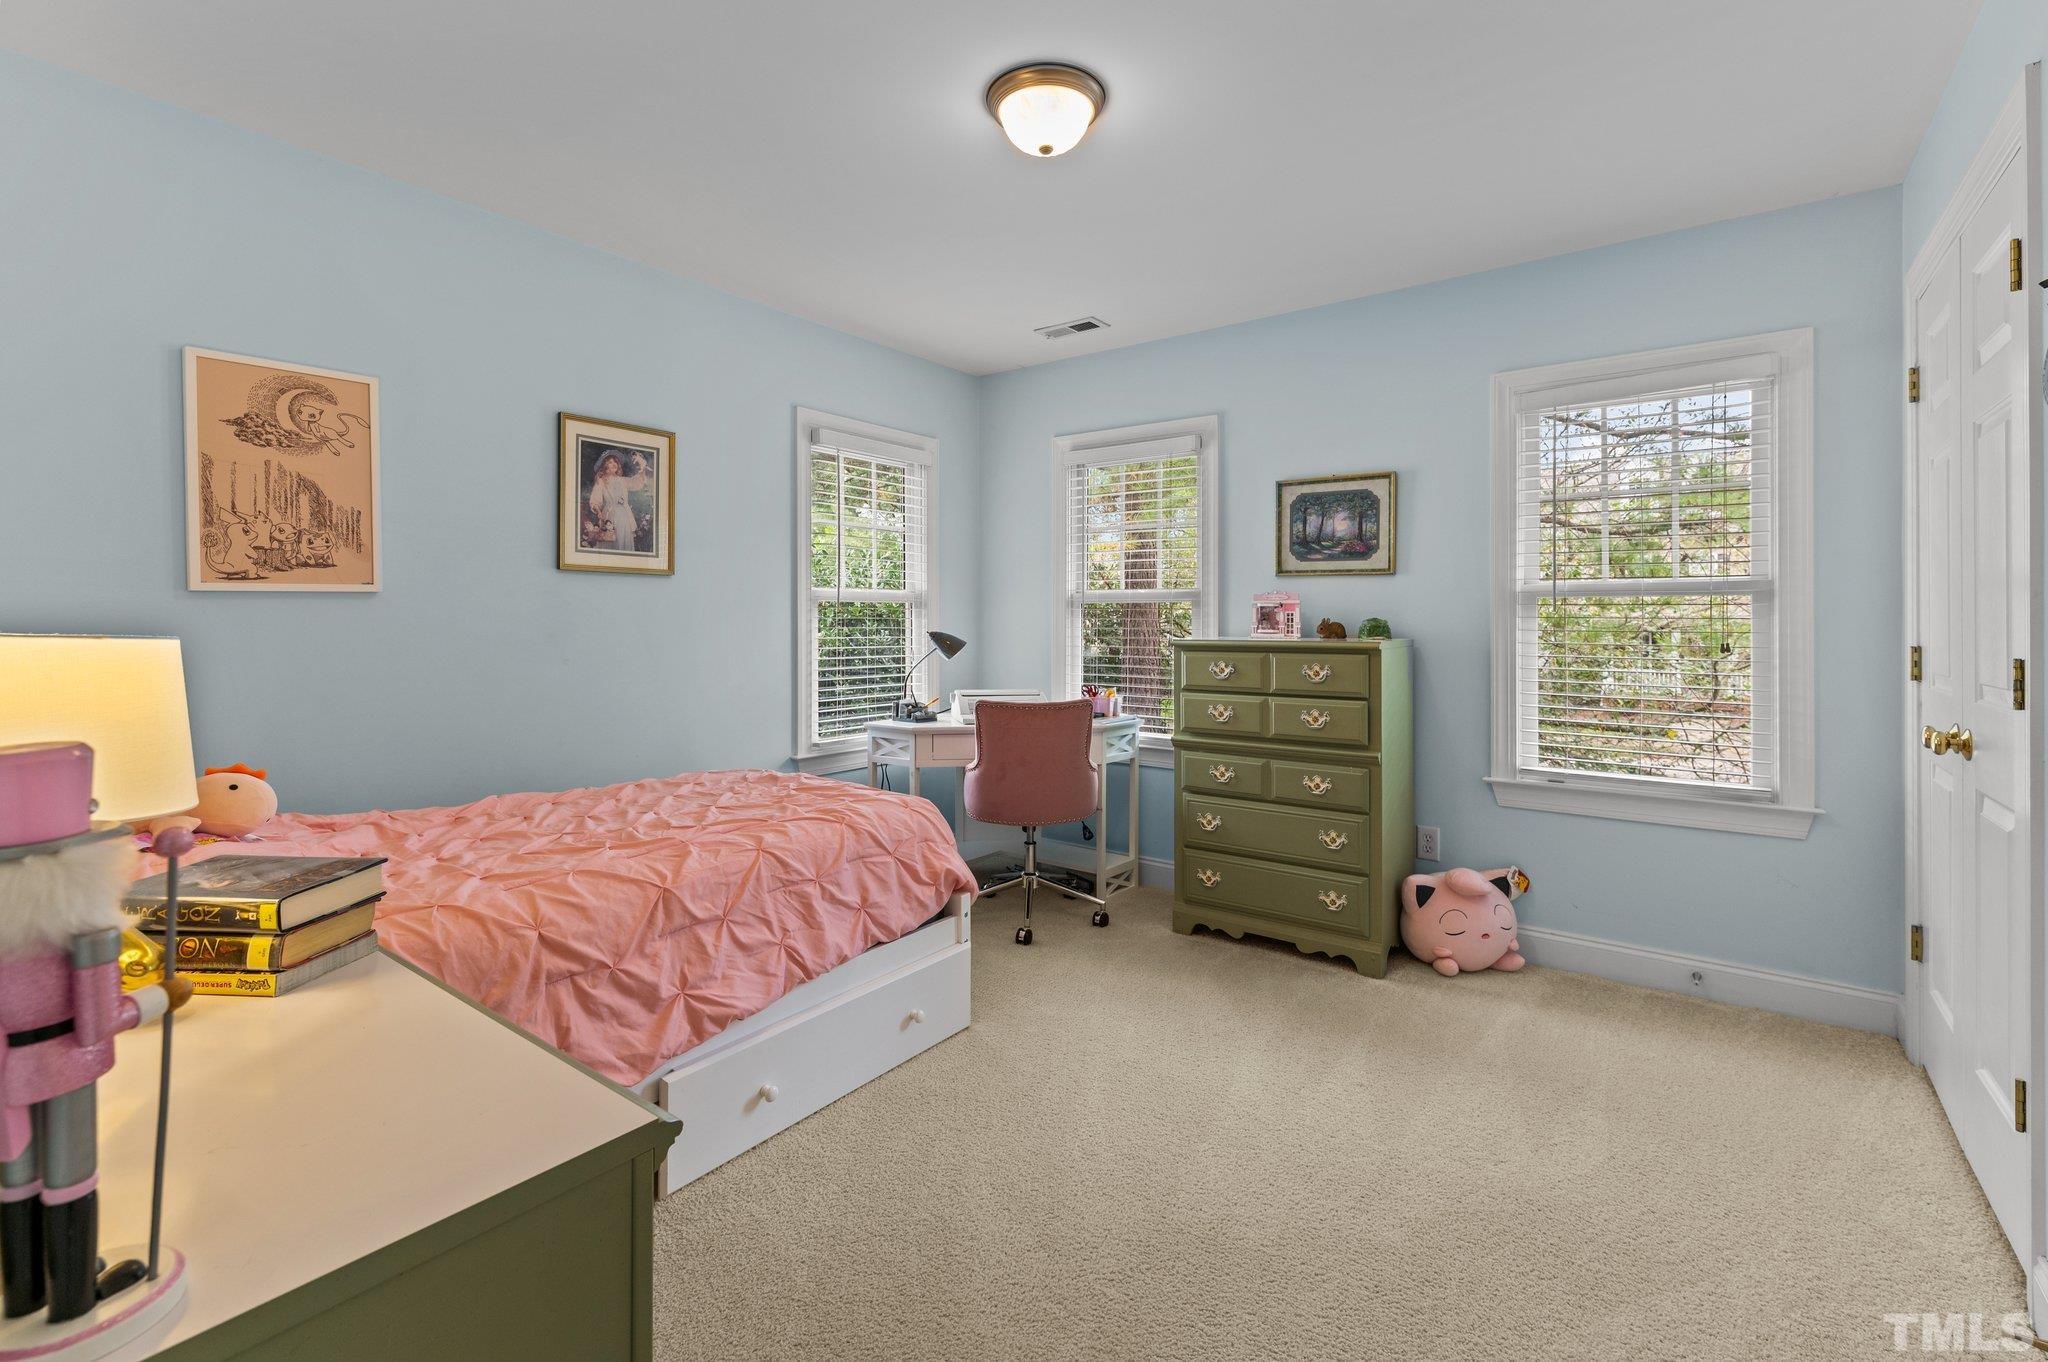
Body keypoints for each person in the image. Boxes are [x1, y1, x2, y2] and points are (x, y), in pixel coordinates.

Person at [586, 451, 645, 552]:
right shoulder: (602, 481)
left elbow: (637, 483)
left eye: (615, 462)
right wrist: (598, 511)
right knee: (611, 539)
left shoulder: (622, 480)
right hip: (610, 515)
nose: (613, 464)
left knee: (623, 540)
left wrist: (642, 467)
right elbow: (595, 499)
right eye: (609, 462)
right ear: (604, 466)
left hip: (624, 516)